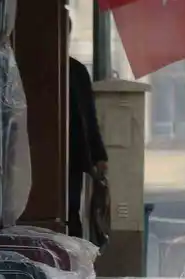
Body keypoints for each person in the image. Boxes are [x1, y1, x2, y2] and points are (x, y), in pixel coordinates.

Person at [68, 16, 108, 238]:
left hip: (74, 159)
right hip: (67, 158)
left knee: (72, 211)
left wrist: (97, 155)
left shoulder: (76, 71)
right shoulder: (72, 72)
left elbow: (89, 119)